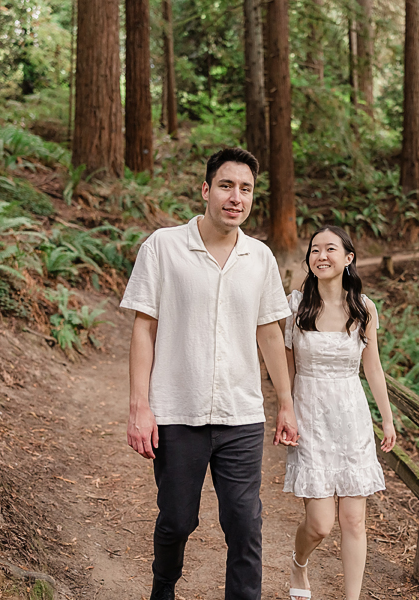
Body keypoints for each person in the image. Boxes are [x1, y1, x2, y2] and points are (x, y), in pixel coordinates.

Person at [121, 147, 299, 600]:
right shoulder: (163, 247)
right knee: (177, 520)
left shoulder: (260, 258)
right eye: (226, 186)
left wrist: (286, 404)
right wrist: (140, 407)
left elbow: (270, 334)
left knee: (245, 523)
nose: (236, 197)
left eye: (246, 189)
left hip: (241, 415)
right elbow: (144, 328)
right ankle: (163, 588)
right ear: (206, 190)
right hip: (178, 412)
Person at [282, 226, 397, 600]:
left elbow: (373, 367)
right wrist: (286, 412)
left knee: (354, 520)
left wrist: (387, 418)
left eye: (330, 249)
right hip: (310, 416)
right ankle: (299, 563)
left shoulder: (364, 308)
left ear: (348, 258)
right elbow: (286, 369)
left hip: (351, 419)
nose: (321, 255)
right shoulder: (296, 306)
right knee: (320, 525)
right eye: (315, 249)